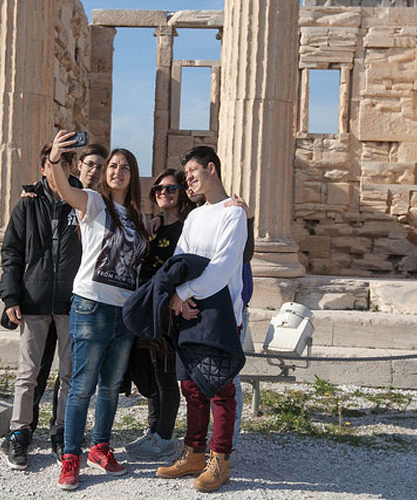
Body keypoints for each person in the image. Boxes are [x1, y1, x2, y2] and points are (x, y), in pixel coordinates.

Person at [43, 130, 149, 491]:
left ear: (133, 175)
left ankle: (100, 447)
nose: (117, 170)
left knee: (111, 387)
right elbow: (64, 190)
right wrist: (56, 159)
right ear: (105, 173)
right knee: (82, 386)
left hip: (124, 310)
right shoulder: (94, 202)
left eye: (124, 167)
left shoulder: (139, 218)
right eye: (112, 166)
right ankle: (71, 454)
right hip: (91, 304)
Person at [156, 145, 247, 493]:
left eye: (193, 171)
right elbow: (181, 260)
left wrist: (183, 295)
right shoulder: (194, 217)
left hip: (221, 311)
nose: (189, 179)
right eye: (186, 174)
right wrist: (179, 297)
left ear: (212, 168)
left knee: (220, 388)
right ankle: (194, 452)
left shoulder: (233, 214)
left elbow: (222, 269)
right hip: (191, 309)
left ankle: (220, 460)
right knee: (191, 386)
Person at [0, 143, 82, 470]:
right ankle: (19, 433)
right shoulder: (26, 206)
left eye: (65, 163)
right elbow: (12, 253)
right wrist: (10, 297)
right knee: (28, 372)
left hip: (70, 301)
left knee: (69, 374)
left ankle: (61, 430)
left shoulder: (82, 202)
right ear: (43, 168)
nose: (59, 168)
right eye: (54, 163)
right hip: (33, 299)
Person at [27, 143, 108, 456]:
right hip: (46, 294)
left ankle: (64, 431)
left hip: (80, 297)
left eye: (100, 166)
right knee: (36, 369)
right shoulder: (56, 197)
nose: (93, 170)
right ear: (78, 166)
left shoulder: (100, 203)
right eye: (89, 164)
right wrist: (33, 190)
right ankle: (26, 428)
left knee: (73, 373)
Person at [125, 168, 194, 460]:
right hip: (146, 309)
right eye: (158, 189)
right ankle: (154, 431)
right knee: (151, 376)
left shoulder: (188, 228)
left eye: (170, 188)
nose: (163, 193)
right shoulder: (152, 228)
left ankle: (165, 437)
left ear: (181, 192)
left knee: (166, 377)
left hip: (168, 312)